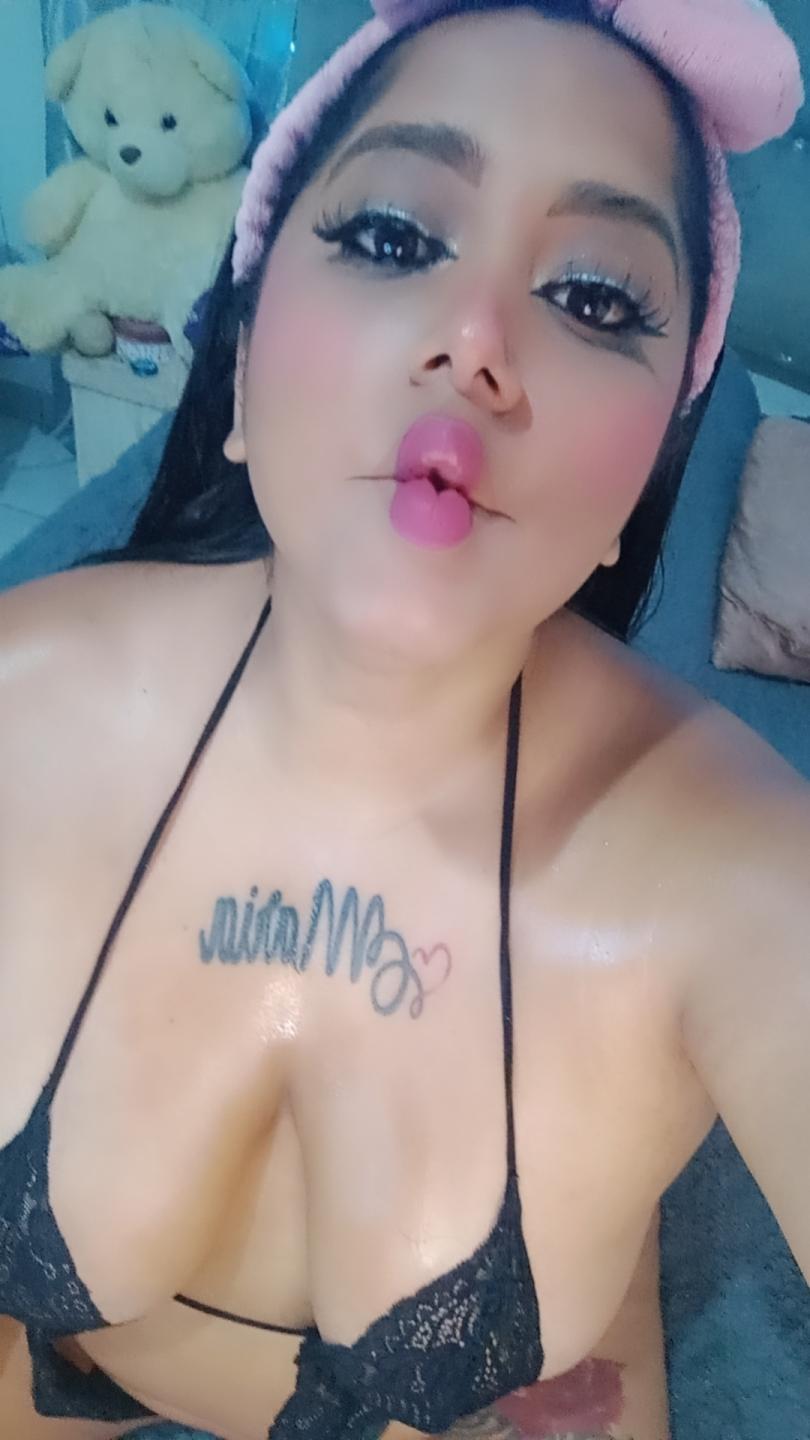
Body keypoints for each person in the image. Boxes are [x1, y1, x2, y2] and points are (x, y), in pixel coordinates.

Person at [0, 1, 807, 1437]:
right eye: (389, 236)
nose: (473, 339)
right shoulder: (22, 705)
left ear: (644, 481)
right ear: (242, 352)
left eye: (594, 299)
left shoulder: (741, 877)